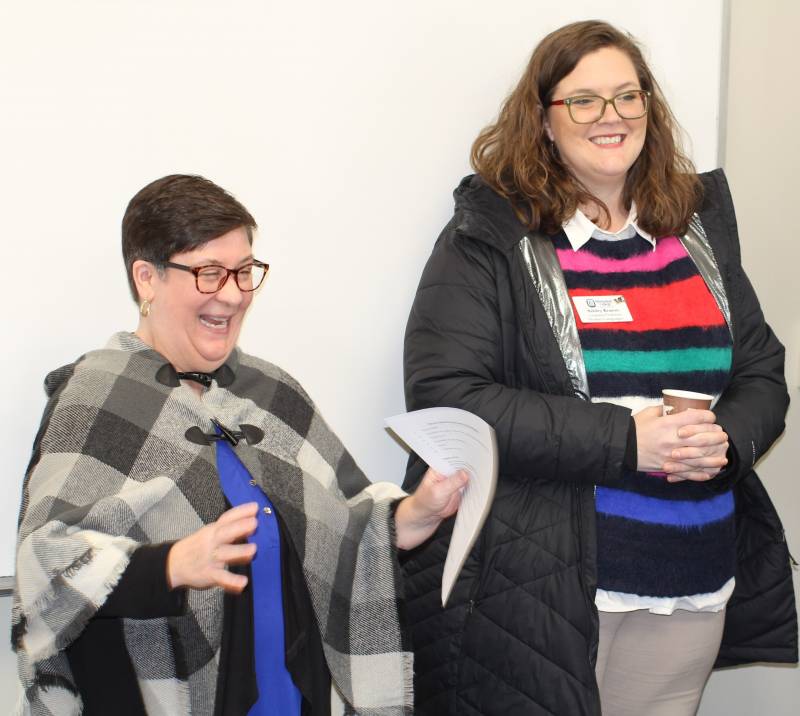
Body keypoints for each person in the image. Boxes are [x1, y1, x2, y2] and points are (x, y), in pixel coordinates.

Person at [401, 20, 796, 716]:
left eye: (627, 96)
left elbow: (761, 368)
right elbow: (448, 395)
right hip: (550, 586)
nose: (610, 118)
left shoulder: (694, 226)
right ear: (544, 121)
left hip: (694, 579)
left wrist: (727, 442)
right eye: (583, 100)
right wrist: (627, 441)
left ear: (650, 106)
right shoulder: (493, 235)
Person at [12, 174, 468, 716]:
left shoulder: (272, 392)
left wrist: (415, 512)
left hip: (292, 699)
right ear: (146, 279)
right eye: (208, 272)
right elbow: (44, 563)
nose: (232, 294)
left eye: (244, 272)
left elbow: (345, 527)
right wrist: (171, 564)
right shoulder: (97, 394)